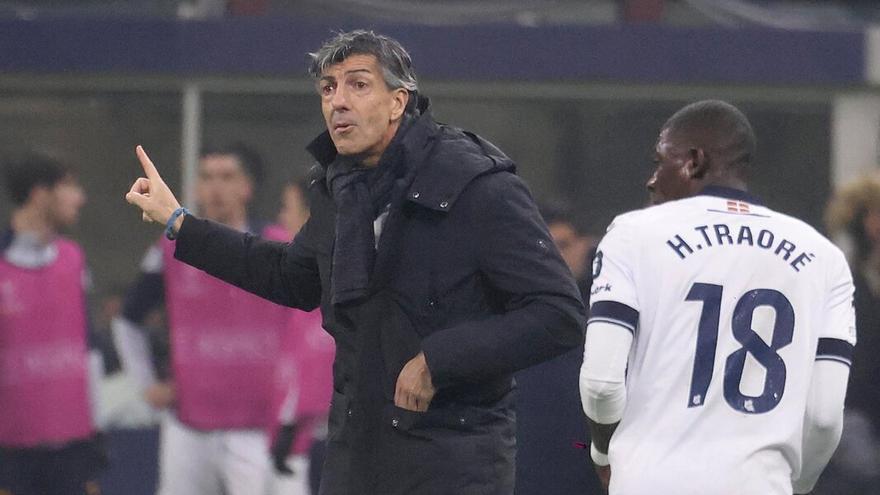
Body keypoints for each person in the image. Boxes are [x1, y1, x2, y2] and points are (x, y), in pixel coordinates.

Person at [124, 30, 585, 495]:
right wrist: (182, 224)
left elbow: (558, 314)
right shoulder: (338, 187)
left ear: (398, 101)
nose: (337, 102)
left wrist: (439, 360)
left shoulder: (477, 184)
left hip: (453, 457)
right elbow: (292, 277)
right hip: (357, 454)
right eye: (328, 88)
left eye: (358, 85)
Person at [579, 100, 855, 495]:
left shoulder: (634, 233)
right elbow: (826, 417)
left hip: (651, 480)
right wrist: (797, 481)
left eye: (661, 161)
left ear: (694, 161)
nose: (652, 180)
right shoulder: (824, 257)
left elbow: (602, 384)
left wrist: (604, 454)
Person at [113, 143, 291, 495]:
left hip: (258, 426)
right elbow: (127, 319)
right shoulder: (170, 248)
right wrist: (146, 382)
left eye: (227, 177)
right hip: (188, 426)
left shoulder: (277, 246)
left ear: (247, 187)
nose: (215, 188)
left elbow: (311, 325)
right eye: (207, 177)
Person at [0, 153, 106, 495]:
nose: (80, 198)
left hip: (73, 452)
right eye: (69, 187)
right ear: (39, 194)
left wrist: (96, 433)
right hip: (12, 455)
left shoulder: (74, 260)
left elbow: (88, 349)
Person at [515, 200, 603, 495]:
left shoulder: (613, 314)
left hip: (592, 464)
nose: (555, 260)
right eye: (544, 249)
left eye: (563, 245)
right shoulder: (512, 319)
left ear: (586, 245)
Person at [266, 178, 336, 495]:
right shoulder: (307, 278)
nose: (281, 218)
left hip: (311, 446)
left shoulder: (323, 284)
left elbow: (314, 362)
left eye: (286, 208)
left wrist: (288, 426)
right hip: (300, 441)